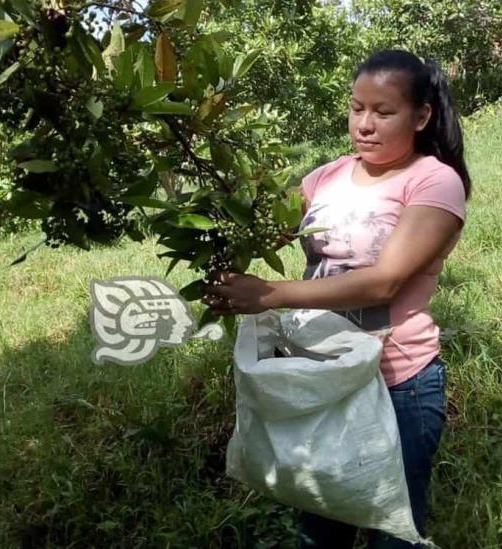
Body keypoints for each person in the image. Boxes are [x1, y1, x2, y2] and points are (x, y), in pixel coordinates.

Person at [201, 49, 471, 548]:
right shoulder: (324, 178)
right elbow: (260, 231)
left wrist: (271, 294)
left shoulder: (434, 181)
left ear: (421, 116)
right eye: (356, 108)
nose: (365, 124)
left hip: (397, 382)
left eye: (383, 112)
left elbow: (383, 281)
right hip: (322, 378)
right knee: (320, 524)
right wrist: (217, 221)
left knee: (394, 532)